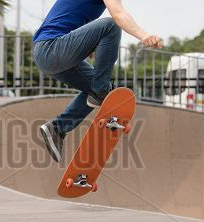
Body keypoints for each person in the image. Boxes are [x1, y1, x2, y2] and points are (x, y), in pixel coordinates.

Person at [33, 0, 163, 163]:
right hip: (51, 48)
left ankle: (58, 128)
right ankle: (100, 91)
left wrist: (89, 45)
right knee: (111, 26)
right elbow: (119, 15)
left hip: (48, 54)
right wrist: (144, 35)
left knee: (106, 93)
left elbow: (70, 16)